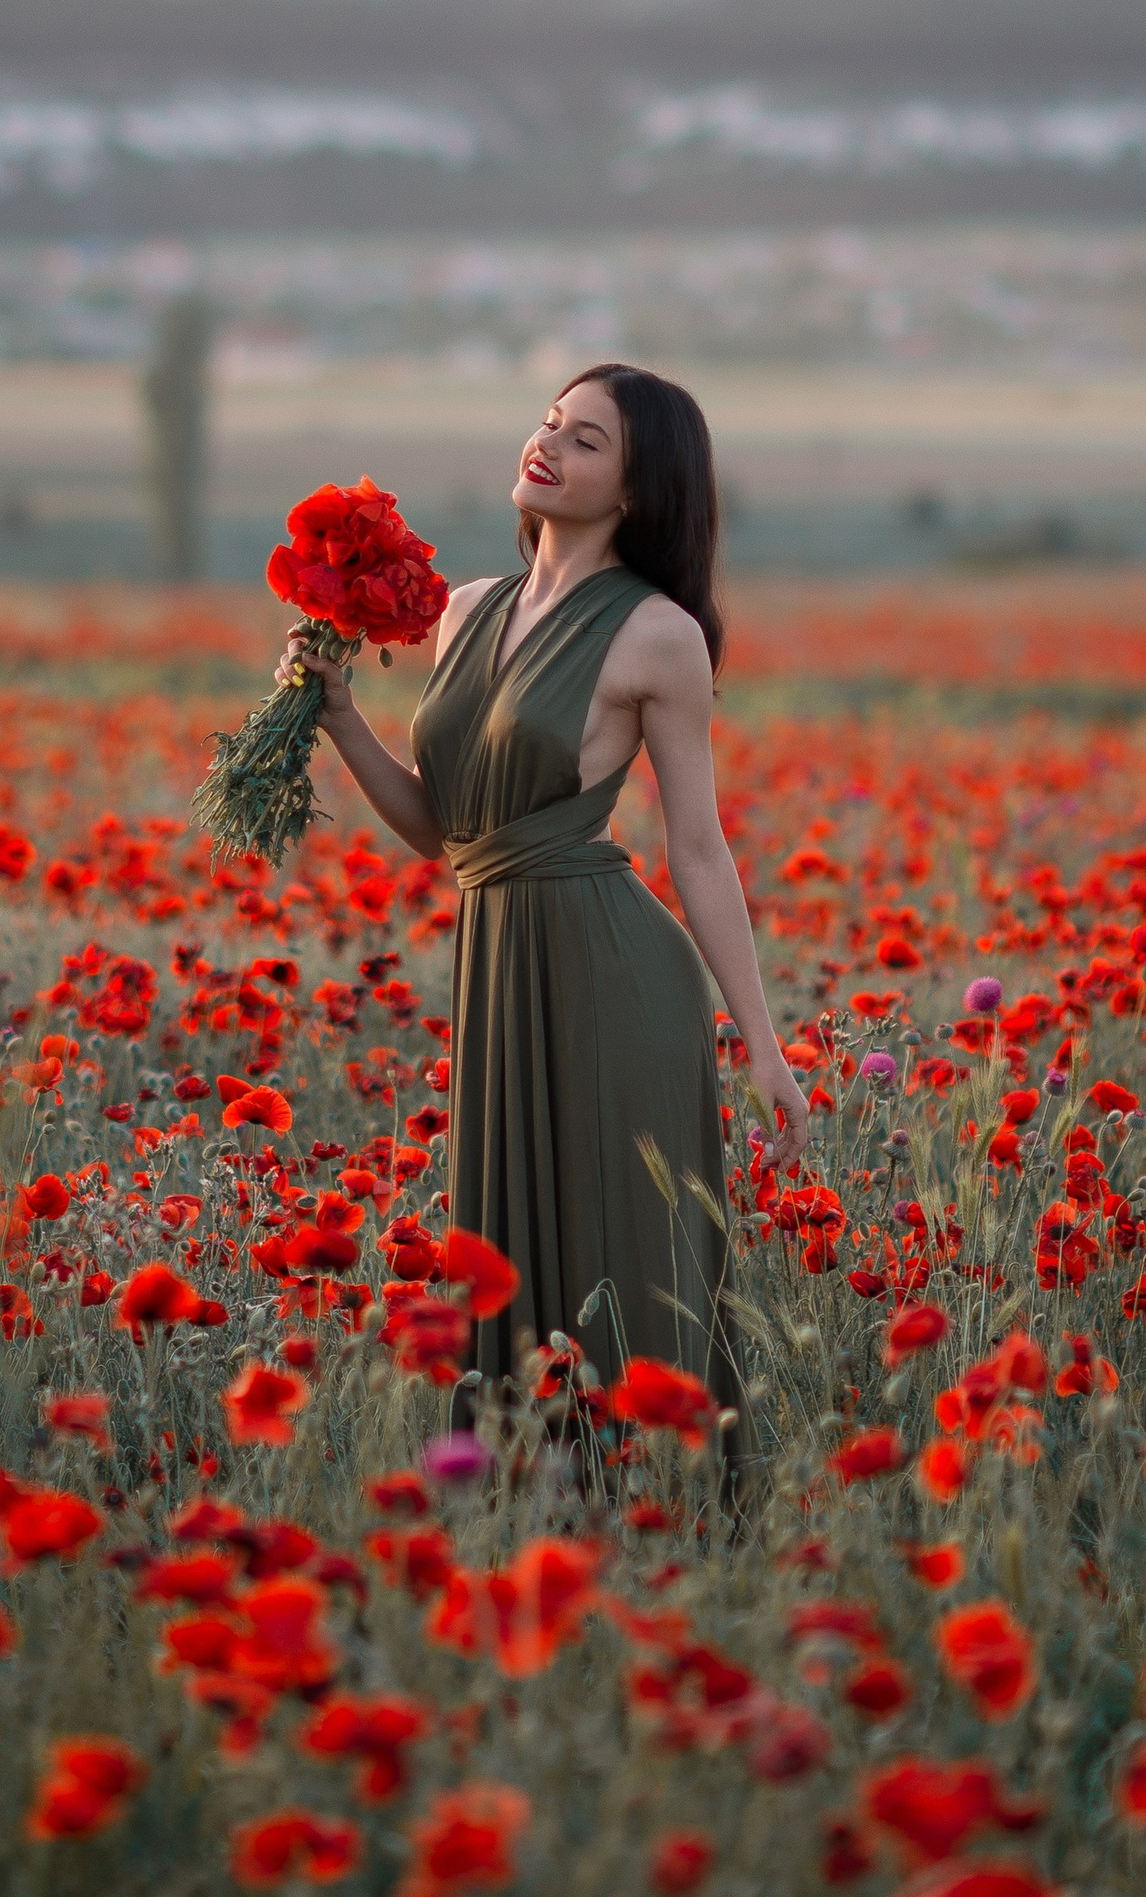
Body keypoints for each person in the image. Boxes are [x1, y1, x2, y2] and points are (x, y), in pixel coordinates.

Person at [278, 363, 810, 1418]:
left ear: (637, 488)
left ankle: (654, 1484)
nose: (549, 445)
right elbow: (447, 832)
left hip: (613, 979)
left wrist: (764, 1045)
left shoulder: (658, 633)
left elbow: (698, 849)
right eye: (550, 422)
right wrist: (339, 714)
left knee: (621, 1259)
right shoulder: (465, 609)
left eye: (586, 440)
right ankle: (526, 1491)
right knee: (508, 1267)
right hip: (498, 968)